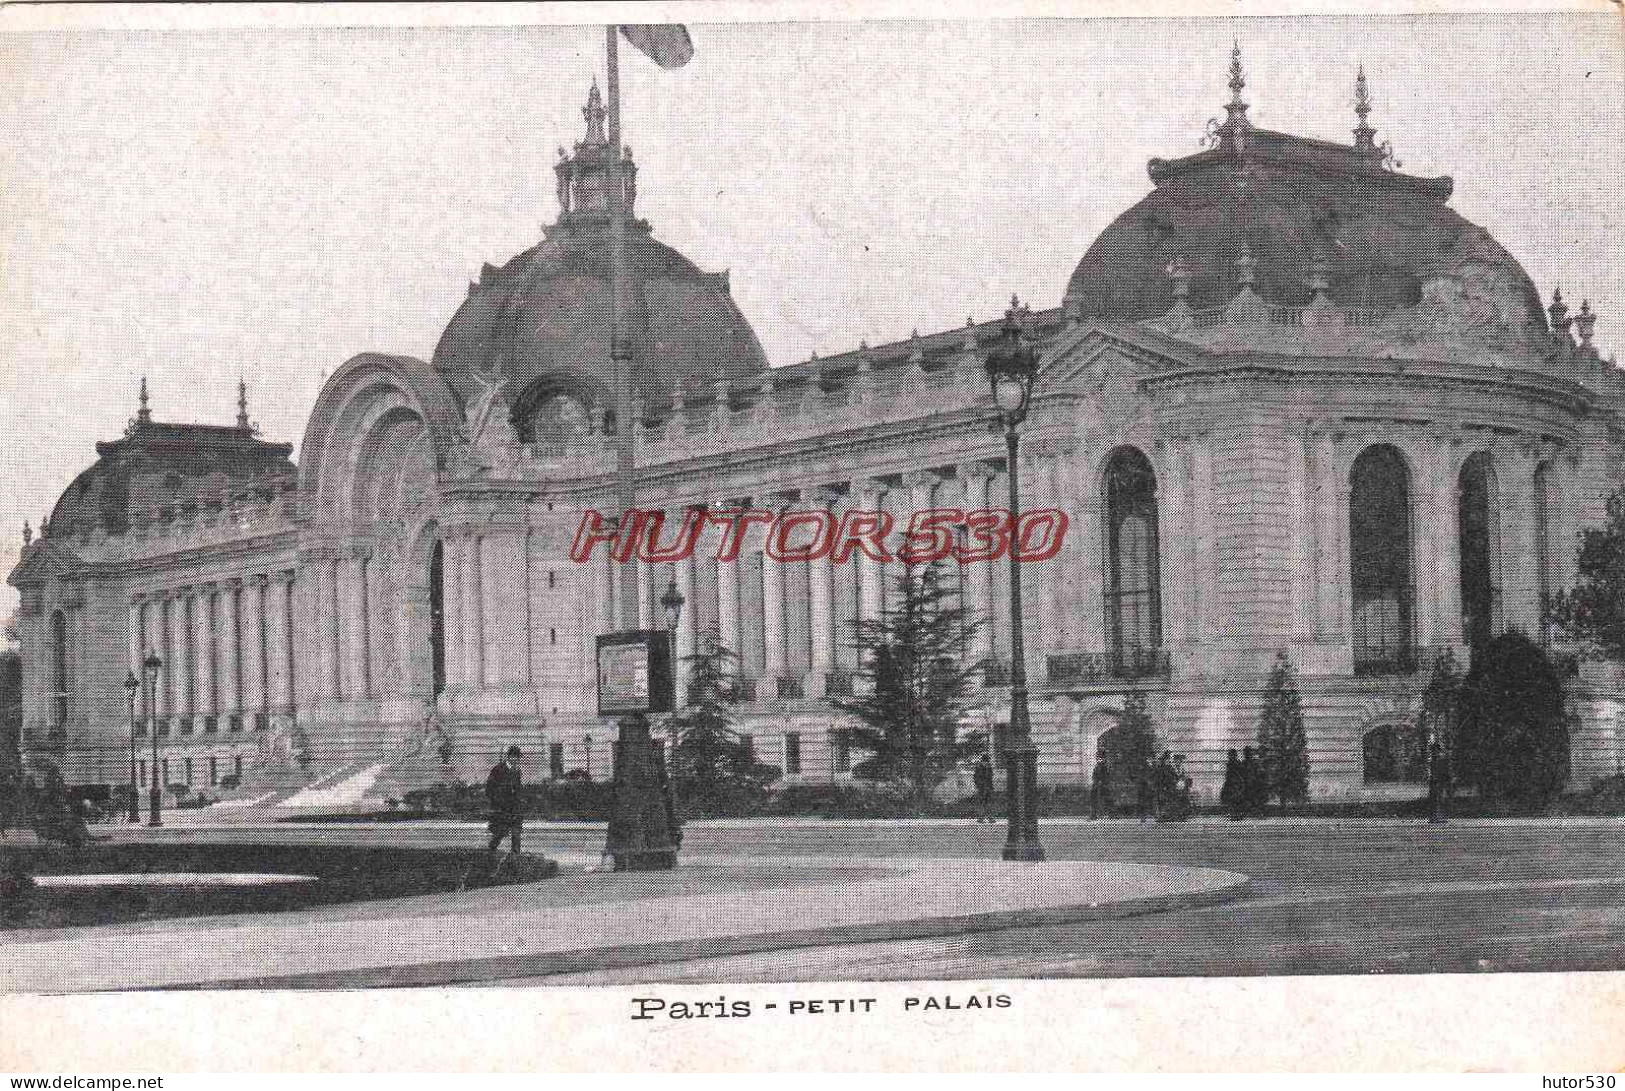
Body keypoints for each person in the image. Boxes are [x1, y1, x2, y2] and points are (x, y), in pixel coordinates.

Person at [485, 745, 525, 855]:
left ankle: (515, 856)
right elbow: (489, 789)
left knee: (516, 832)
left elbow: (518, 789)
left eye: (518, 758)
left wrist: (520, 801)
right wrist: (497, 801)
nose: (516, 760)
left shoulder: (517, 771)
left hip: (514, 808)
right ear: (509, 757)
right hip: (501, 808)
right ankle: (490, 850)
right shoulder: (498, 769)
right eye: (514, 757)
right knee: (502, 831)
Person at [1427, 741, 1452, 825]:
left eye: (1436, 750)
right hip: (1434, 782)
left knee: (1440, 799)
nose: (1435, 752)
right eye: (1433, 750)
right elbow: (1430, 772)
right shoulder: (1431, 760)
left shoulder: (1441, 760)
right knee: (1434, 799)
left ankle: (1439, 816)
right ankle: (1433, 817)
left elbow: (1444, 771)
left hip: (1440, 781)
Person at [1238, 746, 1263, 819]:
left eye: (1248, 753)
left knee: (1254, 799)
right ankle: (1246, 813)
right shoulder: (1244, 763)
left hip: (1252, 783)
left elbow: (1257, 772)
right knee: (1246, 799)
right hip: (1246, 784)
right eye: (1246, 753)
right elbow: (1241, 774)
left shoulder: (1253, 762)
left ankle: (1258, 813)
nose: (1246, 754)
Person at [973, 752, 995, 823]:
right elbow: (990, 777)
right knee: (988, 802)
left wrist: (978, 785)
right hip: (988, 786)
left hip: (981, 787)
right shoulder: (989, 766)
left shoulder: (978, 766)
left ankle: (981, 818)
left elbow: (975, 777)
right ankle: (990, 818)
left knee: (982, 802)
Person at [1219, 748, 1242, 819]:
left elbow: (1234, 774)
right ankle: (1234, 813)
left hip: (1234, 783)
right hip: (1232, 783)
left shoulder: (1234, 763)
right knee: (1232, 799)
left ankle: (1235, 814)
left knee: (1234, 799)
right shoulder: (1232, 763)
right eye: (1229, 755)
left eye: (1231, 755)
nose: (1230, 757)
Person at [1089, 755, 1110, 819]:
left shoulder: (1104, 767)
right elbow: (1094, 776)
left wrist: (1101, 782)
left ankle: (1101, 814)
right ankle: (1094, 815)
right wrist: (1096, 782)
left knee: (1102, 800)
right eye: (1098, 759)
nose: (1099, 760)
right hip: (1096, 786)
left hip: (1102, 787)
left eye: (1101, 759)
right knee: (1094, 800)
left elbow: (1106, 776)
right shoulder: (1096, 767)